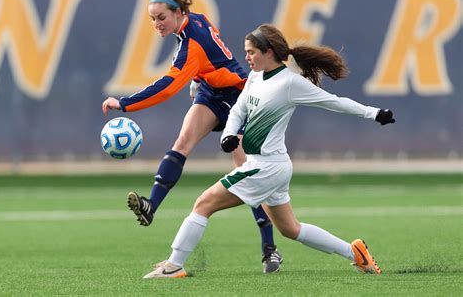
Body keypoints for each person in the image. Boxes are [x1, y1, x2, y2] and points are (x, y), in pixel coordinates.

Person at [143, 23, 395, 279]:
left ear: (269, 52)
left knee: (203, 203)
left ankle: (174, 266)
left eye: (252, 52)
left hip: (265, 167)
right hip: (271, 165)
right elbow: (239, 109)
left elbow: (334, 103)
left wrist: (375, 114)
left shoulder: (289, 83)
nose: (246, 57)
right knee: (291, 229)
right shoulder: (255, 76)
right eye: (246, 51)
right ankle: (355, 253)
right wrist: (229, 134)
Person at [101, 0, 283, 273]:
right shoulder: (196, 20)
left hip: (238, 97)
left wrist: (124, 103)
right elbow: (214, 59)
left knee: (247, 170)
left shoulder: (191, 45)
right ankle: (151, 206)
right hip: (212, 92)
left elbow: (165, 89)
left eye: (161, 17)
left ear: (177, 13)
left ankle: (269, 248)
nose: (156, 24)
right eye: (152, 19)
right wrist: (200, 79)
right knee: (183, 141)